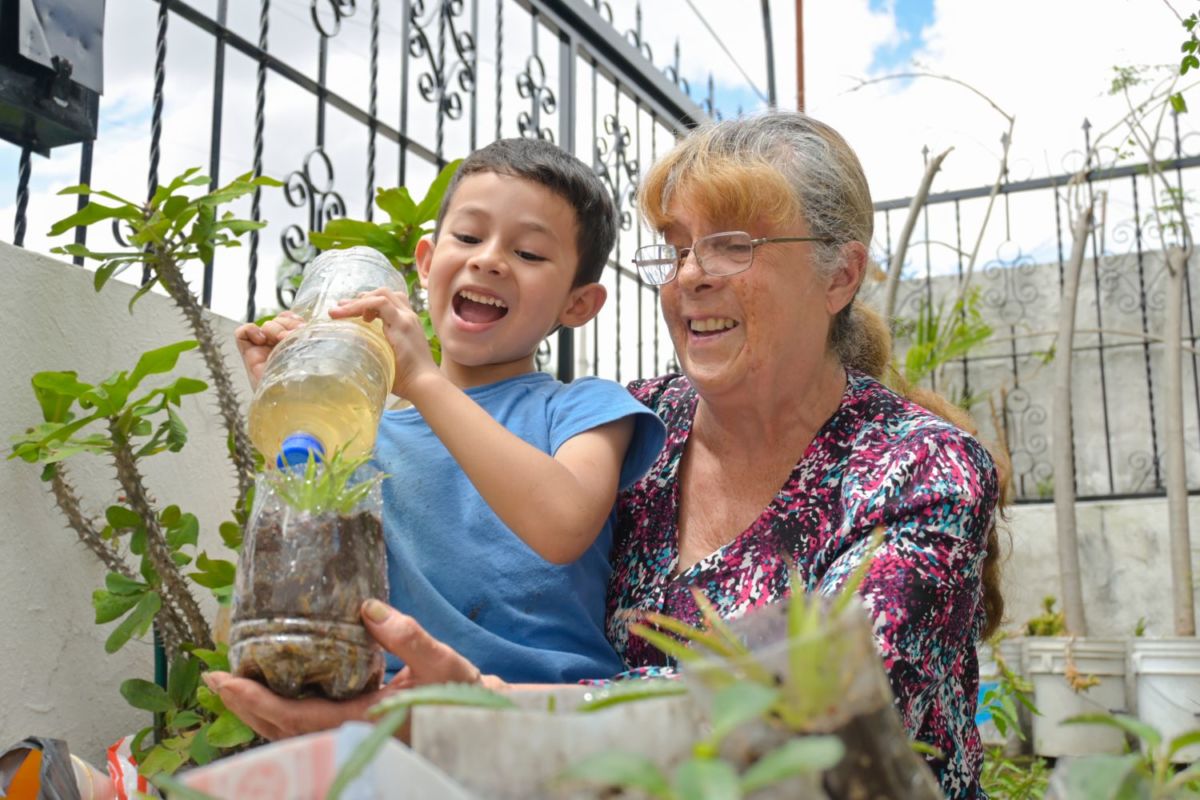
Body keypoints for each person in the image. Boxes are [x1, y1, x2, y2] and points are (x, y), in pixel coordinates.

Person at [212, 111, 1004, 800]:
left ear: (841, 276)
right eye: (676, 246)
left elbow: (812, 723)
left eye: (730, 245)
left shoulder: (921, 468)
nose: (690, 275)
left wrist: (473, 718)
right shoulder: (648, 420)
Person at [229, 138, 665, 684]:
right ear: (428, 263)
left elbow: (563, 523)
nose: (488, 259)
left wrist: (424, 382)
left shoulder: (585, 408)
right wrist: (298, 408)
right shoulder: (365, 432)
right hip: (386, 713)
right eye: (468, 236)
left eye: (528, 253)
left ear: (577, 304)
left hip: (545, 714)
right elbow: (304, 570)